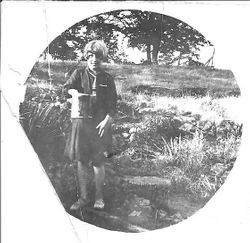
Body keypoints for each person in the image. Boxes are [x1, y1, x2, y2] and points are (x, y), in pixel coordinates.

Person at [63, 40, 117, 210]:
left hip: (100, 124)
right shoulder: (79, 73)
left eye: (98, 57)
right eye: (91, 56)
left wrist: (106, 122)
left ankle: (99, 198)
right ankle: (84, 198)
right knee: (81, 161)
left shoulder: (108, 79)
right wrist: (74, 93)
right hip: (81, 123)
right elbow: (67, 88)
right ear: (87, 57)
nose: (94, 59)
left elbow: (113, 105)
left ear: (103, 59)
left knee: (98, 162)